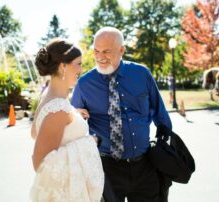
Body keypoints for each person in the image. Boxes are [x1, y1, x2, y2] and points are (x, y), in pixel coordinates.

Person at [72, 27, 173, 202]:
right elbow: (72, 126)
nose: (100, 56)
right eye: (96, 51)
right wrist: (74, 116)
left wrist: (166, 144)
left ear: (122, 50)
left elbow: (160, 112)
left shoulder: (142, 74)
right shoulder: (84, 84)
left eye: (107, 51)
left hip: (145, 166)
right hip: (106, 169)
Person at [30, 38, 104, 202]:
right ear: (63, 66)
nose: (81, 69)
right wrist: (89, 142)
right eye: (78, 64)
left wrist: (72, 116)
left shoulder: (49, 98)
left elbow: (35, 132)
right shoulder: (58, 108)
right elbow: (40, 163)